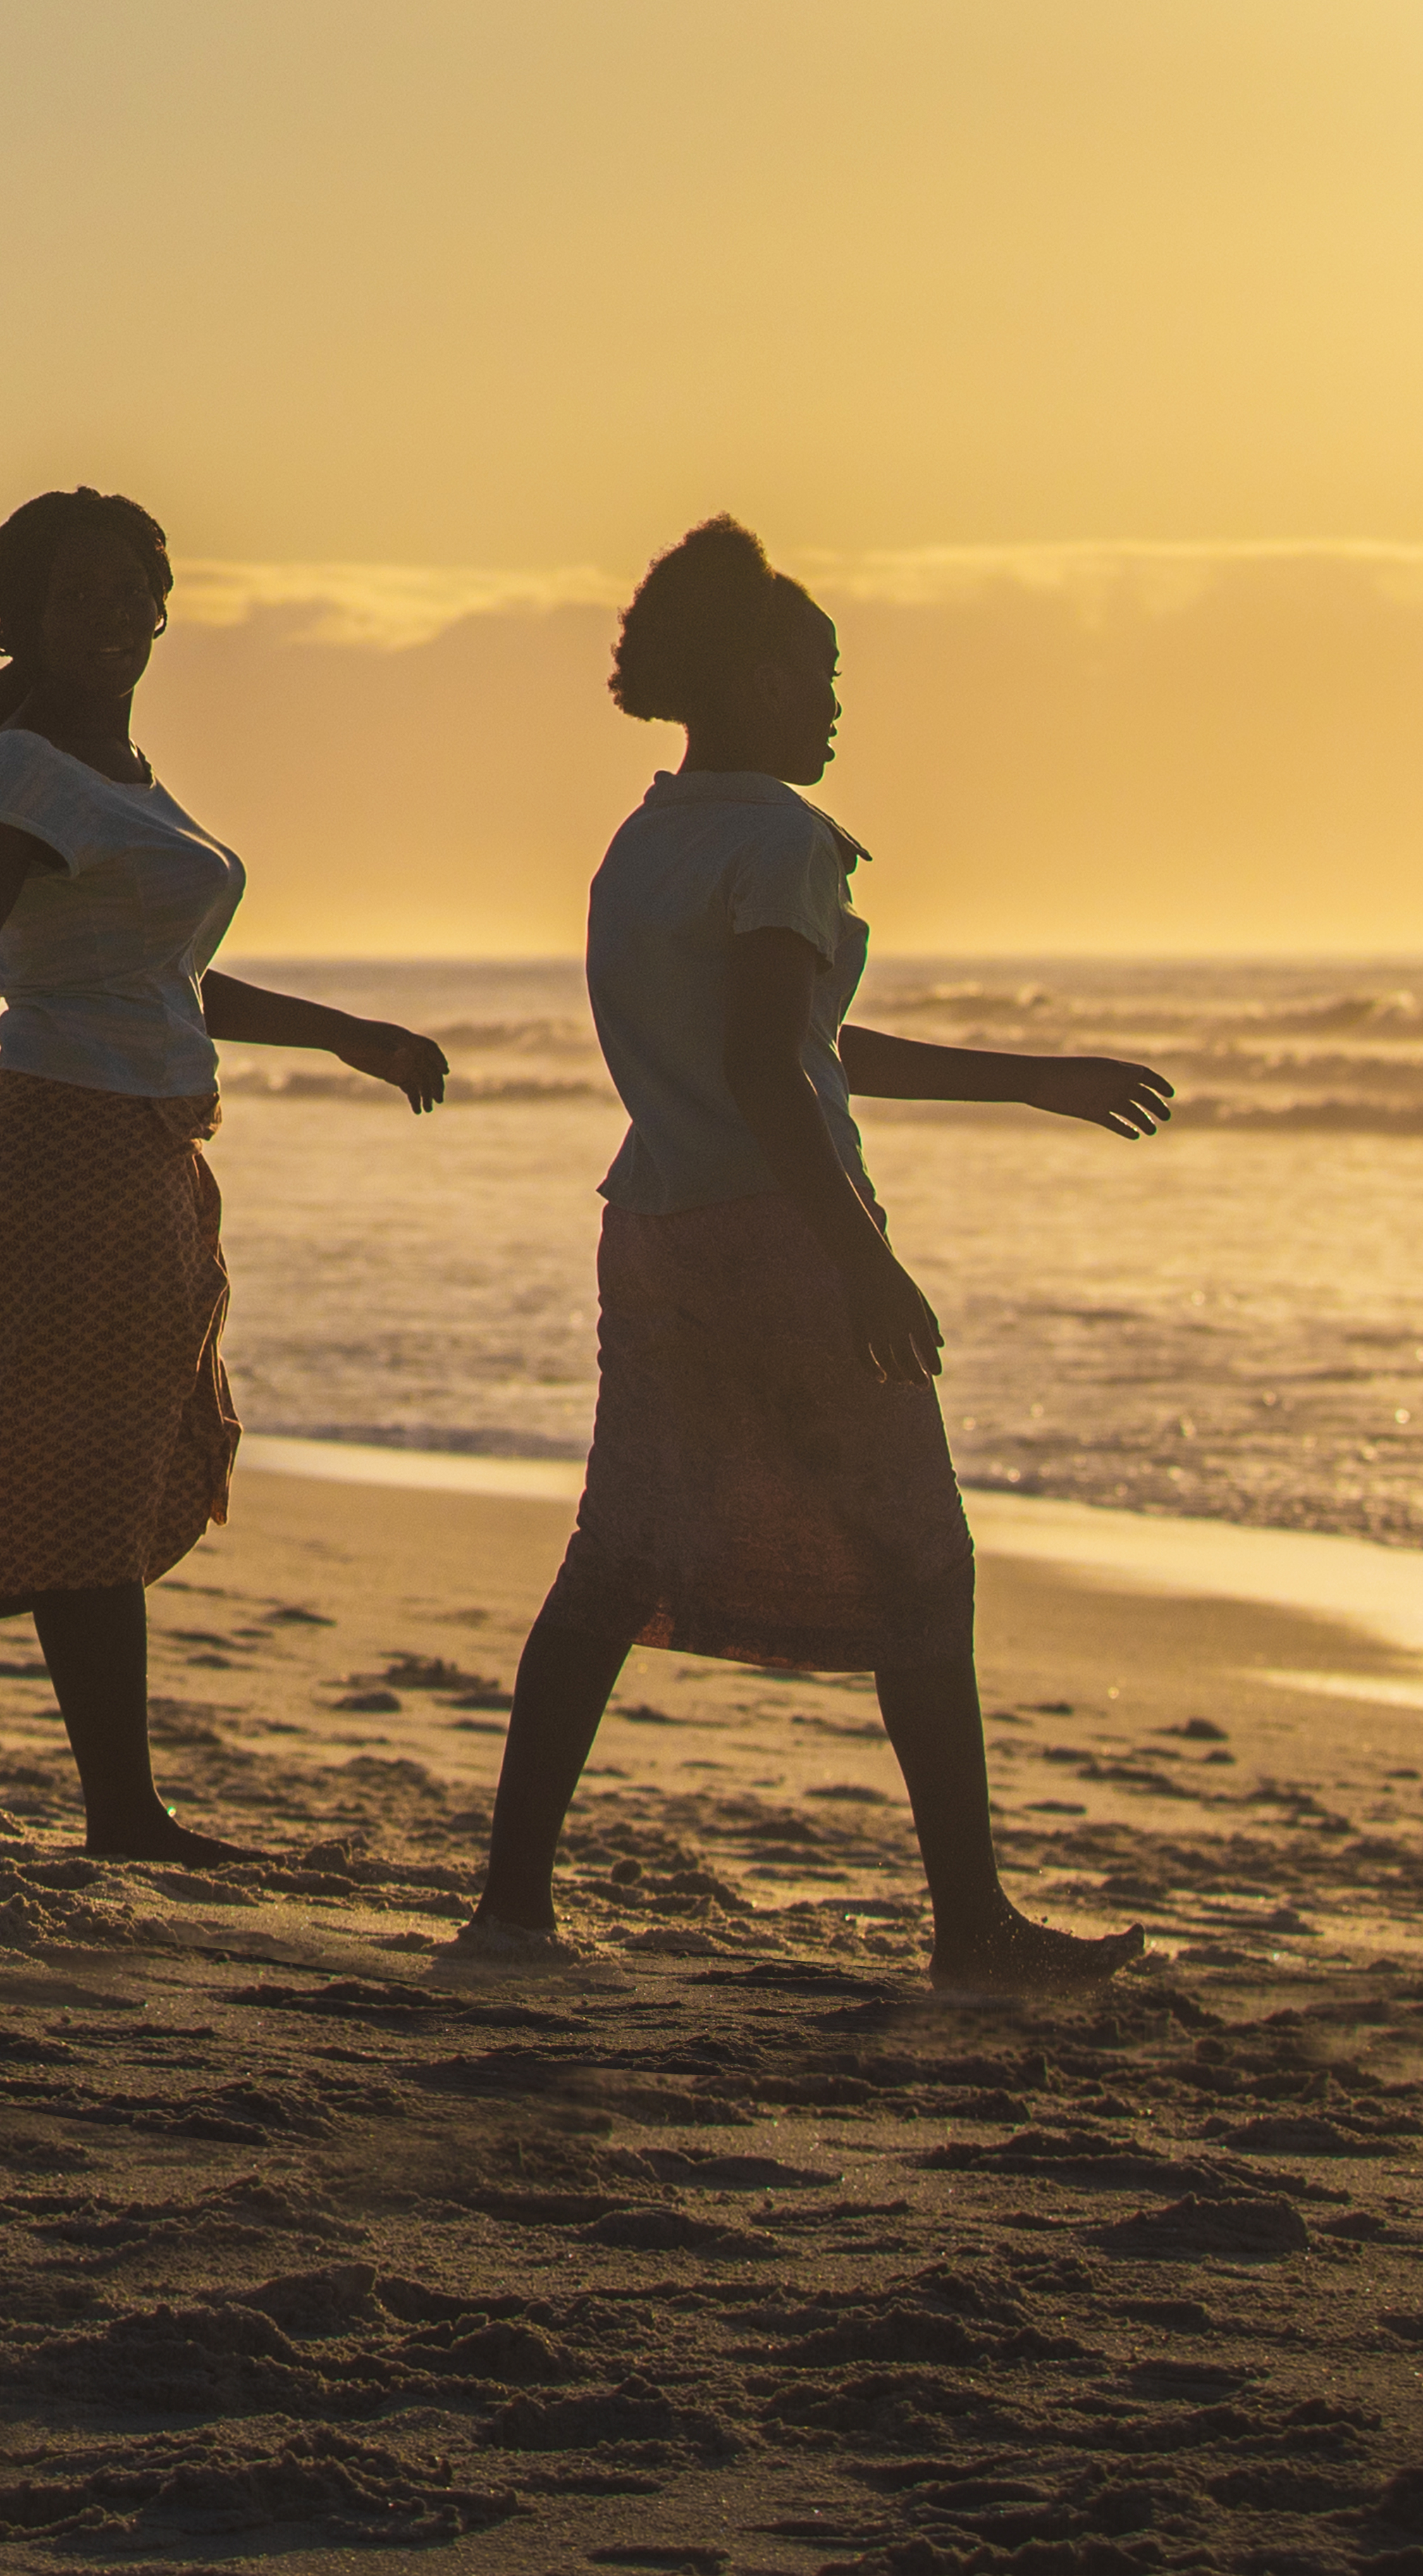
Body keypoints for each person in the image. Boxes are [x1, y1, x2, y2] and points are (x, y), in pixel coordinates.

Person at [464, 512, 1172, 1982]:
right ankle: (973, 1929)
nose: (840, 703)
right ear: (760, 680)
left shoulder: (649, 839)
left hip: (652, 1226)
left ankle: (509, 1911)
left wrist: (1028, 1079)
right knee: (919, 1559)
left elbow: (793, 1044)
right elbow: (777, 1076)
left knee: (610, 1561)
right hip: (778, 1236)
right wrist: (859, 1256)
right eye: (822, 673)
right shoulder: (783, 841)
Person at [0, 483, 449, 1857]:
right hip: (64, 1141)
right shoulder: (25, 772)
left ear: (162, 605)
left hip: (152, 1143)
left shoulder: (124, 780)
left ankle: (88, 1788)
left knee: (101, 1473)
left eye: (131, 589)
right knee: (70, 1475)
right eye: (80, 595)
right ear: (21, 618)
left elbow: (164, 974)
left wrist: (343, 1032)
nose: (112, 615)